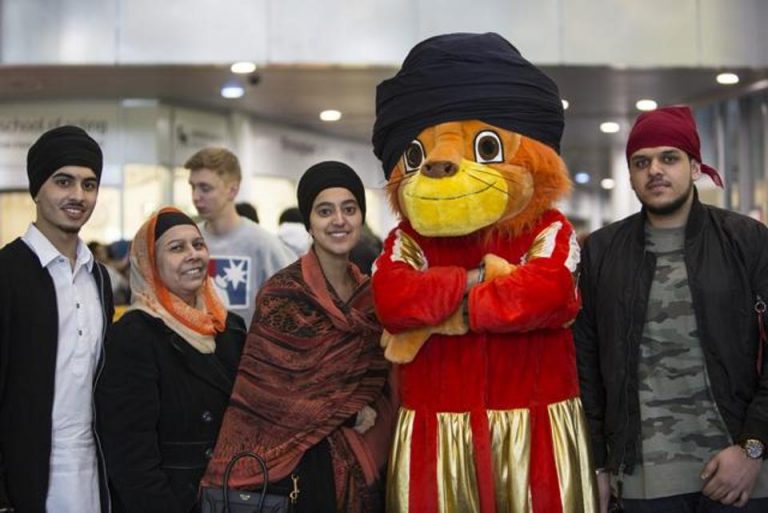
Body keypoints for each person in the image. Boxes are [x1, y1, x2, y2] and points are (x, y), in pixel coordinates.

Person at [574, 106, 768, 512]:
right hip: (645, 483)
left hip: (741, 478)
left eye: (669, 158)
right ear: (630, 175)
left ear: (695, 166)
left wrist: (753, 448)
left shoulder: (746, 240)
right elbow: (586, 366)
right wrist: (597, 466)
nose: (654, 171)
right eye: (641, 162)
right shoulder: (604, 252)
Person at [202, 161, 396, 513]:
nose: (339, 220)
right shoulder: (284, 295)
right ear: (310, 221)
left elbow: (381, 380)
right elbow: (270, 400)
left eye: (349, 209)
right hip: (296, 473)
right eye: (325, 211)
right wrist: (349, 413)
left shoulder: (372, 298)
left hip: (365, 464)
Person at [96, 207, 246, 513]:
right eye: (176, 248)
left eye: (198, 244)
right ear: (149, 263)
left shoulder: (229, 327)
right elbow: (130, 456)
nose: (193, 254)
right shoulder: (134, 336)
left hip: (229, 497)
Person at [0, 125, 114, 513]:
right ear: (37, 188)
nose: (78, 196)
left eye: (89, 184)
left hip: (92, 472)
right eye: (63, 181)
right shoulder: (7, 272)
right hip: (25, 478)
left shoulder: (98, 277)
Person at [186, 147, 294, 326]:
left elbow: (293, 307)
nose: (196, 197)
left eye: (205, 188)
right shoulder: (188, 242)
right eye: (192, 187)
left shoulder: (264, 245)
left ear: (232, 190)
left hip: (249, 350)